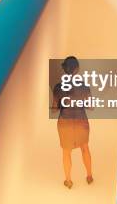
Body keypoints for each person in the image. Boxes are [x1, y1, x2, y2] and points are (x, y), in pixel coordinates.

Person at [51, 56, 93, 189]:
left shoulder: (58, 87)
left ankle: (68, 180)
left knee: (66, 152)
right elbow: (91, 107)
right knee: (85, 148)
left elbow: (54, 110)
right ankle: (89, 176)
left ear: (64, 69)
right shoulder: (85, 87)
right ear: (77, 69)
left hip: (65, 123)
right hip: (81, 121)